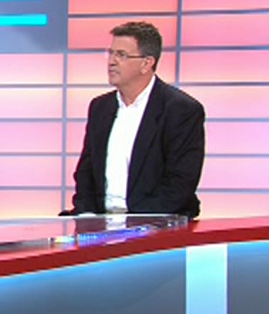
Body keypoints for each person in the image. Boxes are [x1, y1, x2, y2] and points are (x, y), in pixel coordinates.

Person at [67, 21, 205, 218]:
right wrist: (87, 216)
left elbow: (180, 184)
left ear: (146, 63)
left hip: (156, 223)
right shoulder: (100, 107)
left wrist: (133, 224)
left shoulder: (180, 110)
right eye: (110, 53)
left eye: (121, 55)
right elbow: (86, 173)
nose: (111, 61)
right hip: (102, 223)